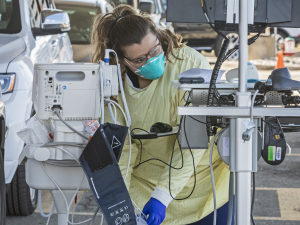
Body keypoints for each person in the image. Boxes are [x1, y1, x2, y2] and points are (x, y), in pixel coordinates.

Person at [91, 4, 231, 225]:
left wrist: (162, 196)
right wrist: (121, 204)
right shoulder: (113, 87)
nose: (152, 60)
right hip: (146, 189)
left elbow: (193, 143)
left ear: (158, 37)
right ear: (122, 61)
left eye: (155, 50)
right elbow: (123, 150)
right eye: (140, 60)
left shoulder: (190, 66)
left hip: (204, 184)